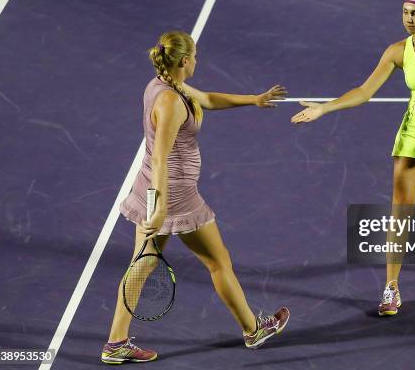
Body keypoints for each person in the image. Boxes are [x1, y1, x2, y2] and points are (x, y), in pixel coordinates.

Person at [291, 0, 415, 316]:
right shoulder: (398, 51)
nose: (407, 19)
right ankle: (391, 287)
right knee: (400, 214)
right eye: (404, 13)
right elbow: (364, 91)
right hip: (414, 135)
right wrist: (325, 108)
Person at [102, 31, 290, 364]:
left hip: (150, 187)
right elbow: (161, 156)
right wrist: (160, 207)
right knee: (218, 263)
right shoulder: (171, 102)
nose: (197, 61)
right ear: (185, 61)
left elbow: (207, 99)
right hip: (173, 194)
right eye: (196, 56)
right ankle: (254, 329)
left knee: (141, 266)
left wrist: (254, 99)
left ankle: (116, 343)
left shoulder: (163, 85)